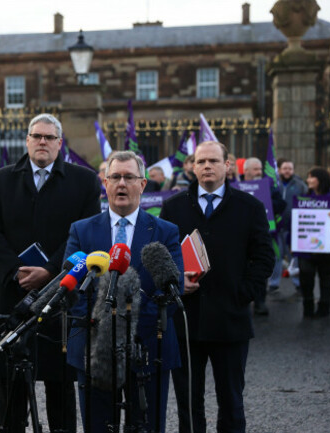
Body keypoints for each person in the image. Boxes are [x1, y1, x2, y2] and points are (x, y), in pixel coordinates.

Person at [0, 113, 100, 433]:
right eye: (37, 136)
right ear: (27, 141)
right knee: (12, 388)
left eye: (49, 137)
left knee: (60, 388)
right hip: (12, 294)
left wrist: (50, 272)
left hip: (60, 295)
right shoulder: (2, 178)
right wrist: (15, 272)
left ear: (60, 144)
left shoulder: (84, 181)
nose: (42, 142)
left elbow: (85, 234)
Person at [64, 150, 184, 433]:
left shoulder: (165, 232)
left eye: (129, 177)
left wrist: (131, 325)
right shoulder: (81, 231)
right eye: (115, 177)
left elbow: (171, 290)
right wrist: (101, 327)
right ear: (104, 183)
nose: (121, 184)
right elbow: (73, 291)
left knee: (147, 426)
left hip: (148, 349)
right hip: (94, 349)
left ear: (142, 184)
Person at [160, 141, 274, 433]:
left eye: (213, 160)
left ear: (227, 165)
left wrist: (243, 293)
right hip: (186, 320)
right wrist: (174, 281)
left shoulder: (250, 207)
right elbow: (161, 254)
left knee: (232, 401)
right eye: (201, 162)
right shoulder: (173, 207)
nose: (206, 166)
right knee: (188, 401)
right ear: (193, 167)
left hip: (231, 318)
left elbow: (264, 257)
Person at [242, 157, 286, 316]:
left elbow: (281, 204)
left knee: (260, 265)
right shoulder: (235, 185)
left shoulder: (269, 186)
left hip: (262, 232)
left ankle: (260, 301)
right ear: (246, 171)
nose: (259, 172)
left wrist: (266, 201)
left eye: (260, 169)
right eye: (255, 169)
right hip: (240, 234)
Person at [298, 167, 330, 318]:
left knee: (327, 276)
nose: (308, 180)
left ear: (320, 179)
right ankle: (308, 305)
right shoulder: (305, 198)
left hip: (328, 244)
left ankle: (324, 306)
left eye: (311, 177)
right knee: (305, 275)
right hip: (306, 246)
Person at [273, 158, 307, 294]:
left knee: (295, 257)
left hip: (294, 228)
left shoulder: (300, 185)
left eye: (290, 169)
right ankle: (273, 284)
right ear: (279, 170)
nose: (287, 171)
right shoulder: (274, 184)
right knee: (276, 256)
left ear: (293, 170)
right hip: (276, 227)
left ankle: (298, 284)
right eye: (285, 168)